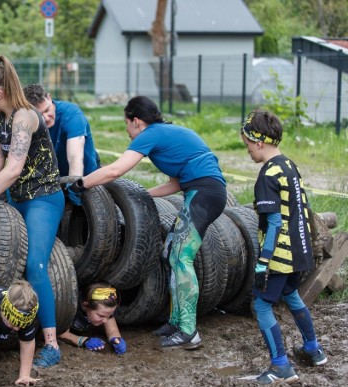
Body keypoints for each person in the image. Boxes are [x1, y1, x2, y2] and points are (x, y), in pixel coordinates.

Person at [67, 95, 227, 350]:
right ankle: (176, 322)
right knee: (170, 254)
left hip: (204, 195)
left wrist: (81, 183)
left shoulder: (151, 134)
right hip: (203, 192)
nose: (128, 132)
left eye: (127, 125)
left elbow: (115, 171)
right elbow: (177, 182)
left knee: (181, 258)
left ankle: (189, 331)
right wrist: (142, 196)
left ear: (136, 121)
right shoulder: (168, 132)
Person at [0, 55, 64, 368]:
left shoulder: (24, 116)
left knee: (35, 265)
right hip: (17, 197)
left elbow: (12, 168)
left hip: (44, 198)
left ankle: (51, 345)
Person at [240, 110, 327, 384]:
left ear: (259, 142)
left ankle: (280, 365)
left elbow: (275, 222)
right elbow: (304, 210)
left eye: (247, 145)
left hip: (280, 255)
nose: (248, 152)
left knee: (261, 305)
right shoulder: (289, 165)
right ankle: (313, 349)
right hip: (300, 252)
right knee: (291, 296)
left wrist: (263, 263)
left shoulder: (267, 174)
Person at [23, 84, 100, 180]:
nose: (46, 118)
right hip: (52, 179)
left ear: (49, 97)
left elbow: (75, 158)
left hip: (85, 174)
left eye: (47, 110)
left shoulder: (72, 114)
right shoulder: (24, 122)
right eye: (39, 115)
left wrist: (73, 188)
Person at [58, 283, 127, 355]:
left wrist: (116, 340)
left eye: (109, 315)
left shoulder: (104, 311)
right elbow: (61, 333)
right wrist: (83, 341)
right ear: (85, 305)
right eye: (101, 316)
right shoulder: (70, 307)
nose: (105, 320)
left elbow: (112, 330)